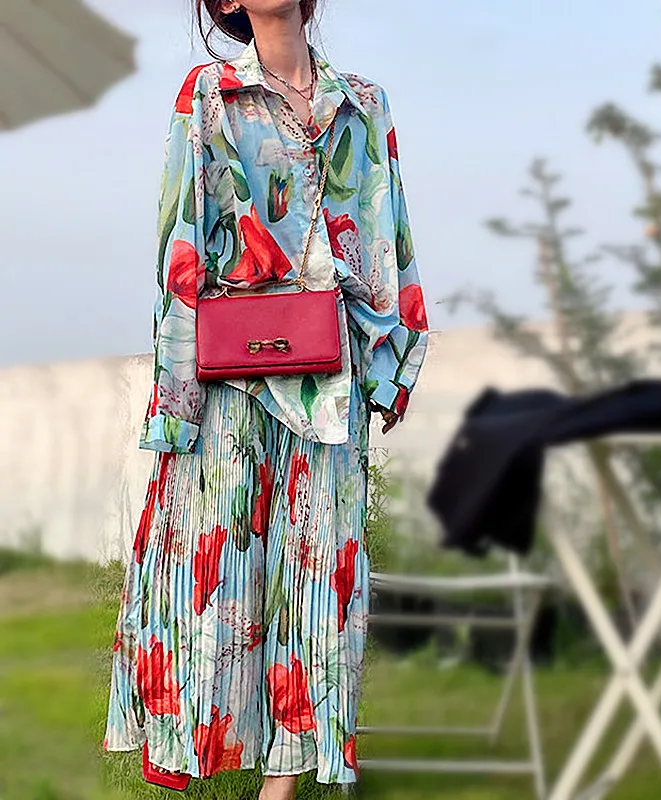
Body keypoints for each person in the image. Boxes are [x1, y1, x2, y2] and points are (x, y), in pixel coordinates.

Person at [103, 2, 428, 798]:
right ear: (226, 3)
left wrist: (394, 364)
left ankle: (280, 788)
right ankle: (207, 739)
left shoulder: (364, 102)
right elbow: (181, 242)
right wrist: (174, 400)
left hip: (332, 374)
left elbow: (388, 237)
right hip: (229, 379)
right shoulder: (208, 94)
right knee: (219, 582)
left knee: (322, 581)